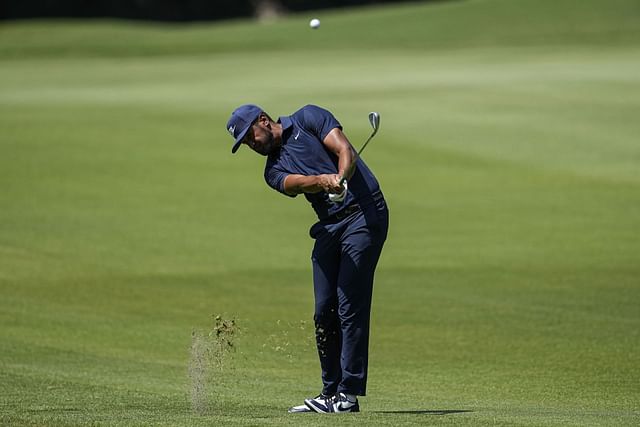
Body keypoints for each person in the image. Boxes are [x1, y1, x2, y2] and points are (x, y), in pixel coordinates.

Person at [226, 104, 389, 414]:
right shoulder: (272, 171)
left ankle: (348, 394)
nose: (251, 144)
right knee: (323, 309)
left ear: (263, 120)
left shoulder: (308, 118)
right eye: (245, 143)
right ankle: (330, 392)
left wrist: (341, 176)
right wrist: (324, 181)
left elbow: (344, 150)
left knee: (348, 304)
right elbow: (296, 183)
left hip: (364, 215)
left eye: (250, 137)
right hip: (330, 225)